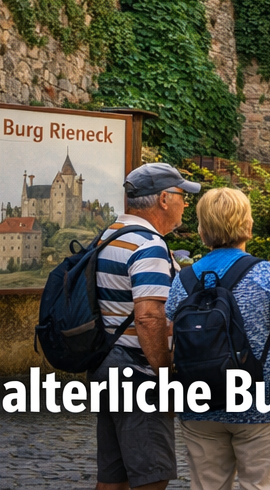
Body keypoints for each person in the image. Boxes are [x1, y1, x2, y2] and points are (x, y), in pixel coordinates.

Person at [166, 187, 270, 490]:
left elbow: (171, 346)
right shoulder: (266, 274)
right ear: (247, 226)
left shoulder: (182, 280)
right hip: (263, 406)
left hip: (200, 404)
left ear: (201, 230)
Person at [93, 162, 198, 490]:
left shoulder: (110, 235)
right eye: (182, 196)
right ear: (164, 199)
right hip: (138, 372)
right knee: (152, 478)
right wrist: (166, 380)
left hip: (106, 364)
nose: (185, 204)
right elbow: (149, 318)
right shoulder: (148, 245)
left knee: (114, 477)